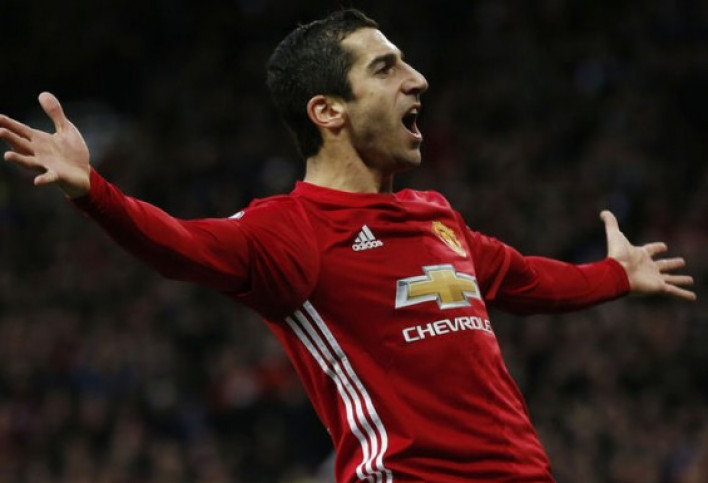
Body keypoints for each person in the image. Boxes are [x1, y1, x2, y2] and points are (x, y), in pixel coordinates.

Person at [0, 8, 696, 483]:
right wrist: (94, 192)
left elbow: (523, 280)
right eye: (386, 68)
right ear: (328, 110)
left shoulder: (434, 216)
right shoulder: (289, 230)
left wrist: (615, 274)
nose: (417, 79)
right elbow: (179, 245)